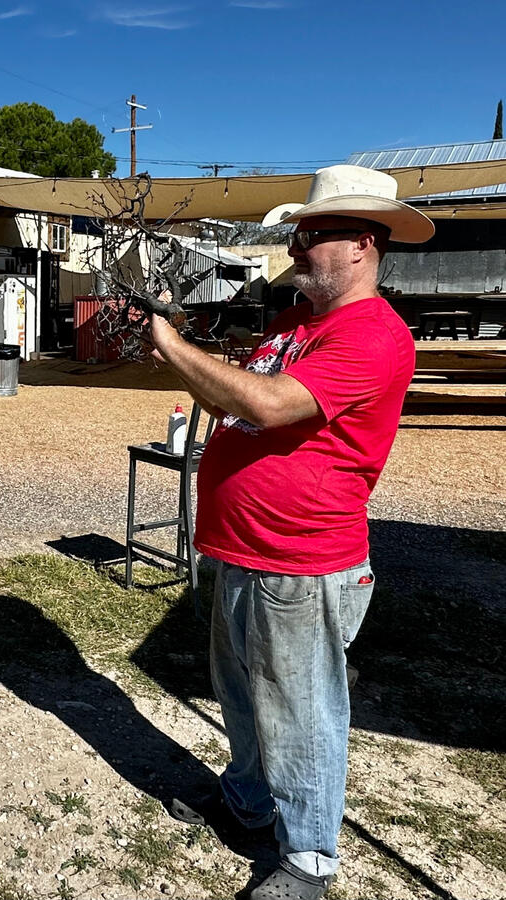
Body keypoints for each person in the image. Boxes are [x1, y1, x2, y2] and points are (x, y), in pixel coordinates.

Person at [147, 165, 433, 900]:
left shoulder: (371, 334)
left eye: (313, 237)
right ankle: (249, 804)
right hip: (248, 550)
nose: (297, 249)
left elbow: (272, 407)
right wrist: (192, 358)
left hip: (302, 561)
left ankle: (309, 858)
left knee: (301, 714)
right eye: (297, 236)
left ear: (363, 244)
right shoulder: (297, 326)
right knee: (240, 693)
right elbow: (240, 399)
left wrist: (178, 352)